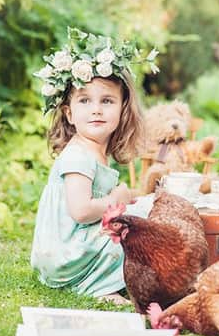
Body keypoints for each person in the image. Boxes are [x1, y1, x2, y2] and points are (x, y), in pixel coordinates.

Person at [30, 27, 157, 304]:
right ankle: (96, 287)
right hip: (63, 254)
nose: (96, 109)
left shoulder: (95, 152)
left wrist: (129, 201)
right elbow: (82, 211)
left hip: (70, 247)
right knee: (133, 232)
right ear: (69, 113)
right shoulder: (77, 156)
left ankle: (102, 279)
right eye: (85, 100)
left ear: (122, 108)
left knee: (140, 215)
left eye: (107, 101)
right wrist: (116, 201)